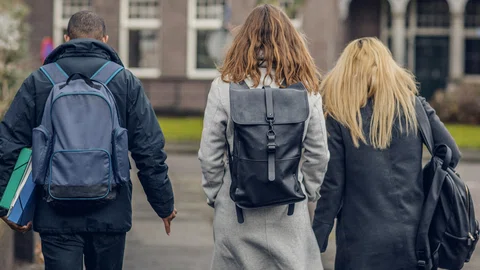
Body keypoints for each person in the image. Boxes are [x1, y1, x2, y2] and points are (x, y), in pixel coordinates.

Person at [0, 11, 177, 270]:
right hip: (110, 211)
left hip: (54, 211)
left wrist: (7, 205)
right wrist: (164, 204)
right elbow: (148, 149)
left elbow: (9, 144)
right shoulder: (124, 81)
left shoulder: (40, 80)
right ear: (105, 39)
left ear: (66, 38)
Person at [199, 4, 329, 270]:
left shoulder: (223, 86)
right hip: (289, 208)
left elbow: (209, 154)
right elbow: (318, 154)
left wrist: (216, 195)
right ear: (291, 41)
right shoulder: (307, 89)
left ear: (243, 39)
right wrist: (308, 191)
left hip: (236, 210)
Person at [312, 37, 461, 270]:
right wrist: (419, 186)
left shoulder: (341, 118)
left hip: (361, 246)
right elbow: (451, 153)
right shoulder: (415, 106)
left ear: (346, 72)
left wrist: (316, 241)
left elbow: (332, 187)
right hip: (415, 240)